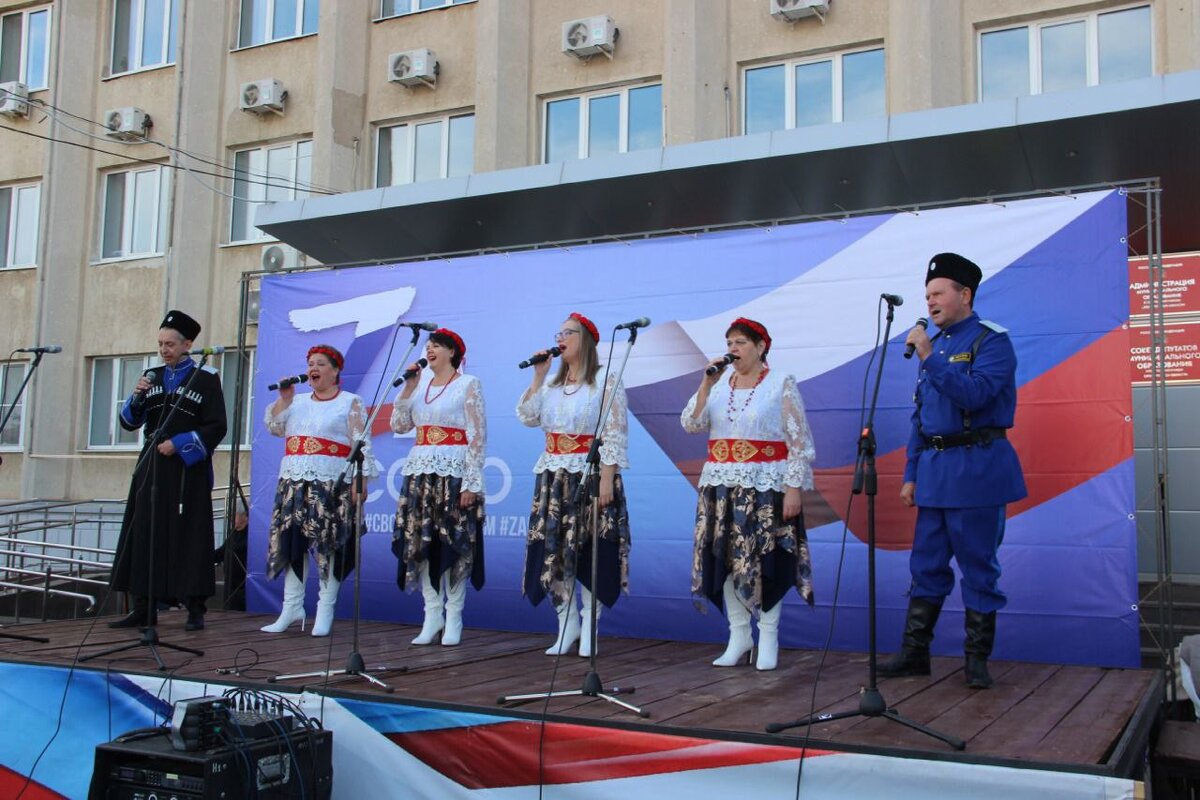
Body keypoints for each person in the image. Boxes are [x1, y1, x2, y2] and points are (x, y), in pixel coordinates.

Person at [880, 252, 1027, 689]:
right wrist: (911, 473)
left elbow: (976, 395)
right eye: (927, 295)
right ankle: (914, 654)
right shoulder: (938, 345)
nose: (929, 302)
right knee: (925, 565)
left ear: (965, 294)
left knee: (979, 566)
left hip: (978, 470)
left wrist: (930, 358)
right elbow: (921, 418)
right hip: (935, 473)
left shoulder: (990, 341)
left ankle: (976, 661)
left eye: (938, 293)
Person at [682, 317, 816, 671]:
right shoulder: (718, 386)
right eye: (729, 343)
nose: (733, 349)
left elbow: (799, 441)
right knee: (725, 559)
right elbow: (691, 424)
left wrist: (793, 489)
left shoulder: (780, 383)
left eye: (740, 342)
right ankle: (739, 635)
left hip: (765, 485)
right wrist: (705, 384)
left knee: (765, 559)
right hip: (720, 486)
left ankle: (768, 635)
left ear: (760, 347)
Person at [517, 312, 630, 657]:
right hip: (553, 477)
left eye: (569, 333)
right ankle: (566, 625)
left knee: (591, 549)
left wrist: (607, 480)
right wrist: (539, 375)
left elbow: (614, 432)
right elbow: (527, 416)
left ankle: (590, 626)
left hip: (590, 474)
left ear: (587, 340)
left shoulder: (605, 379)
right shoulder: (552, 385)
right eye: (559, 333)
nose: (561, 339)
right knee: (554, 549)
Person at [109, 310, 228, 632]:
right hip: (152, 465)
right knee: (145, 531)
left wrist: (179, 444)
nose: (164, 349)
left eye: (170, 344)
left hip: (187, 470)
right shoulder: (152, 375)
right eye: (160, 343)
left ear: (187, 344)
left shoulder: (206, 377)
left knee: (189, 534)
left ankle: (194, 608)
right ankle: (143, 607)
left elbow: (217, 426)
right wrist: (136, 397)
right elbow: (129, 421)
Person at [261, 344, 379, 637]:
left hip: (331, 482)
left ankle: (325, 609)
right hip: (294, 481)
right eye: (310, 363)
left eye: (321, 364)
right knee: (292, 542)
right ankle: (292, 607)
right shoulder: (296, 402)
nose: (313, 368)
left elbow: (362, 444)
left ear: (335, 370)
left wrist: (361, 480)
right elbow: (274, 427)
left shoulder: (350, 402)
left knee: (330, 544)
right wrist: (284, 399)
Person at [390, 328, 486, 647]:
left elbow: (477, 435)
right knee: (422, 543)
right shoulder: (419, 387)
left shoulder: (468, 384)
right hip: (421, 472)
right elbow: (399, 425)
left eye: (437, 346)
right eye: (428, 345)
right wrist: (408, 388)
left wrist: (471, 482)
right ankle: (432, 614)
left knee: (453, 544)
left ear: (452, 352)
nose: (430, 350)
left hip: (453, 472)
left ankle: (454, 615)